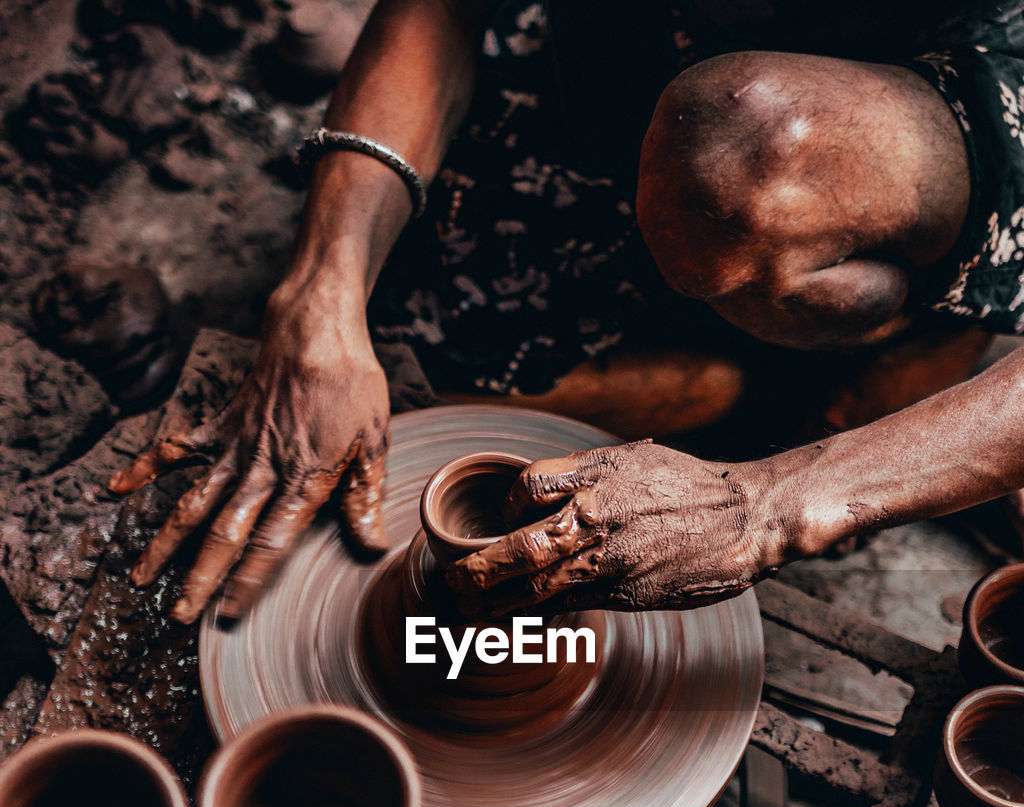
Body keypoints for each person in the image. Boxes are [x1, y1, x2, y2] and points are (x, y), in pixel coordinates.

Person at [109, 0, 1024, 625]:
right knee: (414, 369)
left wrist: (773, 505)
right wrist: (321, 291)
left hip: (925, 128)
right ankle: (723, 357)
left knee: (749, 146)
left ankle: (847, 356)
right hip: (628, 73)